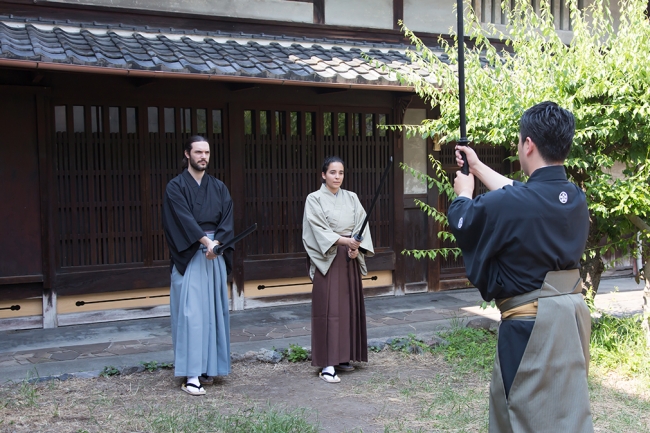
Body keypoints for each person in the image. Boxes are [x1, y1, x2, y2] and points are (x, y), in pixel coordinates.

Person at [447, 101, 593, 432]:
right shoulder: (575, 198)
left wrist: (463, 194)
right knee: (565, 412)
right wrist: (479, 166)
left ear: (528, 144)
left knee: (521, 412)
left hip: (528, 327)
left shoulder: (518, 202)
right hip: (571, 322)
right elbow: (525, 196)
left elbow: (464, 221)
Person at [162, 135, 234, 396]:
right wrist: (206, 242)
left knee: (213, 313)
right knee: (192, 315)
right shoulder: (175, 187)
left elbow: (226, 220)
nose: (203, 157)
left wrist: (219, 245)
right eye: (198, 152)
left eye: (207, 152)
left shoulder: (219, 187)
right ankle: (191, 374)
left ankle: (209, 369)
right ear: (187, 154)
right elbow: (182, 219)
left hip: (214, 255)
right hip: (191, 253)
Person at [302, 156, 375, 383]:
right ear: (323, 175)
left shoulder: (351, 197)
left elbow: (361, 225)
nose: (337, 177)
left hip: (348, 257)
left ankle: (344, 356)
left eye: (341, 173)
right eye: (332, 172)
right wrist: (346, 242)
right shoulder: (314, 199)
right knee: (329, 310)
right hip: (329, 257)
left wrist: (356, 247)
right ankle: (327, 363)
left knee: (347, 307)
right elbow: (317, 230)